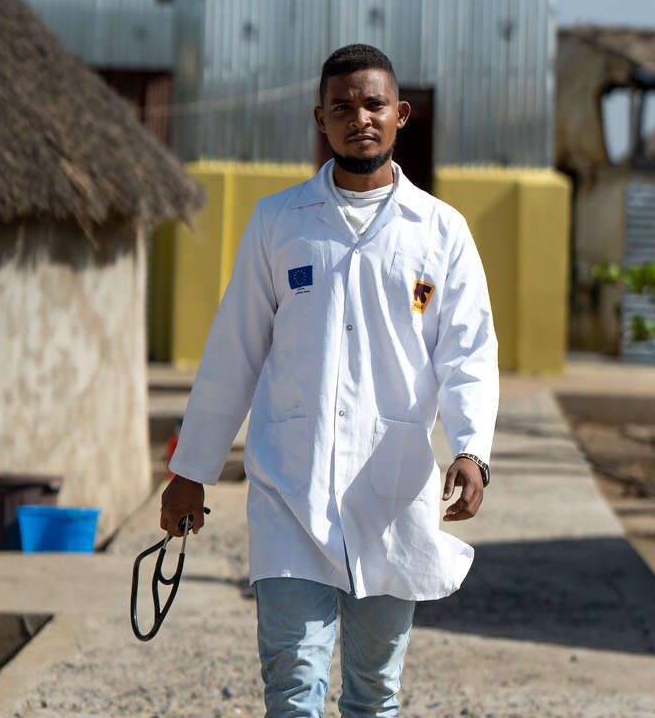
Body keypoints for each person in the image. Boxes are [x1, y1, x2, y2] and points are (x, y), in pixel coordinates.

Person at [161, 43, 499, 718]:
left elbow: (469, 352)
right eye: (342, 107)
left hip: (392, 492)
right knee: (292, 690)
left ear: (400, 114)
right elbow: (234, 353)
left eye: (374, 104)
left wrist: (470, 450)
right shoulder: (279, 223)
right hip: (291, 490)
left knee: (374, 694)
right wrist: (191, 468)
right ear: (322, 118)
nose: (359, 118)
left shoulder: (441, 232)